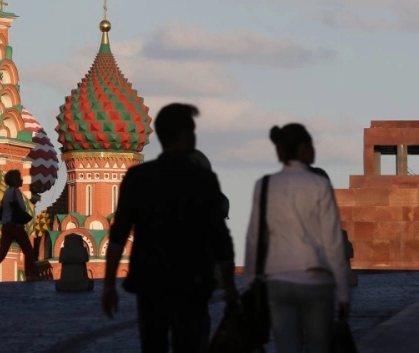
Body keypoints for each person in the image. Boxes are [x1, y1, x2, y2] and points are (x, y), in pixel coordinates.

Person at [102, 103, 237, 353]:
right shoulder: (202, 180)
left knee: (153, 345)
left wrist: (109, 284)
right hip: (192, 282)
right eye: (192, 131)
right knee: (190, 345)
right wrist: (229, 284)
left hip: (150, 282)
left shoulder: (138, 177)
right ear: (184, 135)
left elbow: (119, 235)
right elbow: (220, 238)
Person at [244, 123, 351, 353]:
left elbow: (254, 239)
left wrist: (249, 283)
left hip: (278, 278)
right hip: (315, 278)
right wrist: (344, 292)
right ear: (302, 148)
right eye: (311, 145)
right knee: (317, 346)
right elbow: (333, 242)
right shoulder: (320, 184)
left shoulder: (265, 185)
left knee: (286, 348)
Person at [0, 170, 38, 283]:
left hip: (6, 226)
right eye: (19, 178)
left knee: (2, 251)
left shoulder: (7, 192)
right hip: (15, 226)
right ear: (15, 180)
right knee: (28, 250)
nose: (22, 180)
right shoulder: (16, 191)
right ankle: (30, 275)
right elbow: (21, 208)